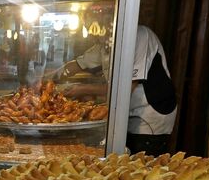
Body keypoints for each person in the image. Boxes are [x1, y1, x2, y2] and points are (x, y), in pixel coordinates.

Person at [51, 25, 177, 155]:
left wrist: (82, 89)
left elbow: (125, 89)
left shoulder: (139, 36)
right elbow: (77, 64)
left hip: (149, 117)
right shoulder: (105, 44)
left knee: (142, 165)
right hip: (124, 114)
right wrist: (47, 79)